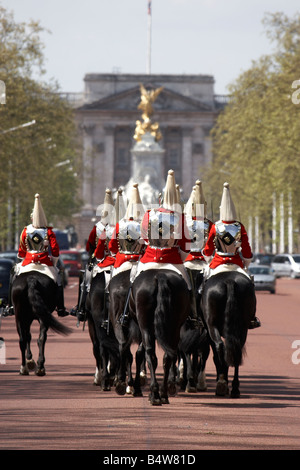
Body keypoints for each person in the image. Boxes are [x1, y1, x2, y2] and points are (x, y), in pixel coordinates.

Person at [136, 169, 200, 327]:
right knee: (189, 287)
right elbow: (186, 244)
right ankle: (193, 315)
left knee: (132, 282)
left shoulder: (149, 214)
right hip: (173, 261)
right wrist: (180, 258)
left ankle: (125, 313)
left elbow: (143, 238)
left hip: (148, 260)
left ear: (160, 199)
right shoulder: (181, 217)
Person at [202, 182, 261, 329]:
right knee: (250, 285)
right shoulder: (239, 226)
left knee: (201, 285)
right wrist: (246, 264)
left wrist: (208, 258)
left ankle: (199, 313)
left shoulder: (215, 226)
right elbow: (247, 250)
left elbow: (208, 247)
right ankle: (251, 317)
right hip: (236, 263)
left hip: (217, 263)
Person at [5, 193, 68, 317]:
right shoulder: (48, 231)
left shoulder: (25, 231)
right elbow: (55, 250)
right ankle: (60, 308)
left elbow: (22, 250)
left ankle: (11, 305)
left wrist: (22, 260)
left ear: (32, 218)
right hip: (45, 262)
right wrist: (54, 264)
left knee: (14, 276)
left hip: (28, 262)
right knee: (58, 280)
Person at [70, 188, 117, 322]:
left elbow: (89, 247)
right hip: (117, 261)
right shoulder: (119, 227)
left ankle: (81, 308)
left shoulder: (97, 229)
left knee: (86, 281)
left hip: (101, 262)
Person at [109, 183, 145, 326]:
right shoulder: (143, 225)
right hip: (139, 262)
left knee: (108, 286)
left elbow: (112, 246)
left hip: (121, 262)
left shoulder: (120, 225)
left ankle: (107, 316)